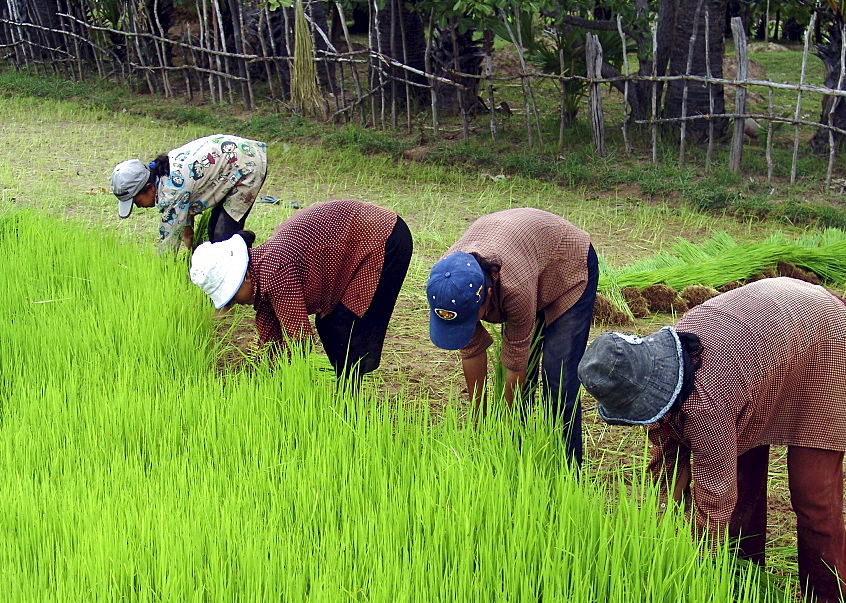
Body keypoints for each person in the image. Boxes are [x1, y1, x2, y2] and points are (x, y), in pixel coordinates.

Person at [577, 277, 846, 603]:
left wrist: (697, 572)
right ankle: (743, 578)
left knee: (812, 492)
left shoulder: (707, 405)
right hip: (762, 347)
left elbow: (714, 503)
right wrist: (661, 529)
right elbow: (667, 463)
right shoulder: (652, 367)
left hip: (823, 333)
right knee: (741, 475)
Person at [426, 208, 598, 467]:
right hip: (528, 254)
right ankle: (518, 453)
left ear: (487, 296)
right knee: (524, 382)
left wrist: (503, 426)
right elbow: (471, 350)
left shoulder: (514, 288)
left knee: (558, 377)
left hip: (567, 262)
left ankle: (567, 469)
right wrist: (479, 422)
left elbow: (516, 361)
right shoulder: (449, 282)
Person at [188, 200, 412, 382]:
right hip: (353, 240)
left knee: (342, 327)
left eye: (233, 296)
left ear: (245, 276)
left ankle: (349, 399)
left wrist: (291, 381)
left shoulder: (274, 271)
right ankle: (347, 386)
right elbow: (272, 338)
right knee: (331, 326)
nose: (237, 304)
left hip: (381, 236)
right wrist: (263, 374)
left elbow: (300, 340)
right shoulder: (261, 275)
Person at [110, 134, 268, 255]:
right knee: (215, 231)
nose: (140, 207)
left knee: (221, 236)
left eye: (137, 202)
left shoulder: (171, 192)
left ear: (149, 188)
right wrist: (189, 235)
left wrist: (161, 273)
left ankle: (245, 269)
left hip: (247, 165)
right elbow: (184, 206)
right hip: (233, 161)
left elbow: (168, 243)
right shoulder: (163, 174)